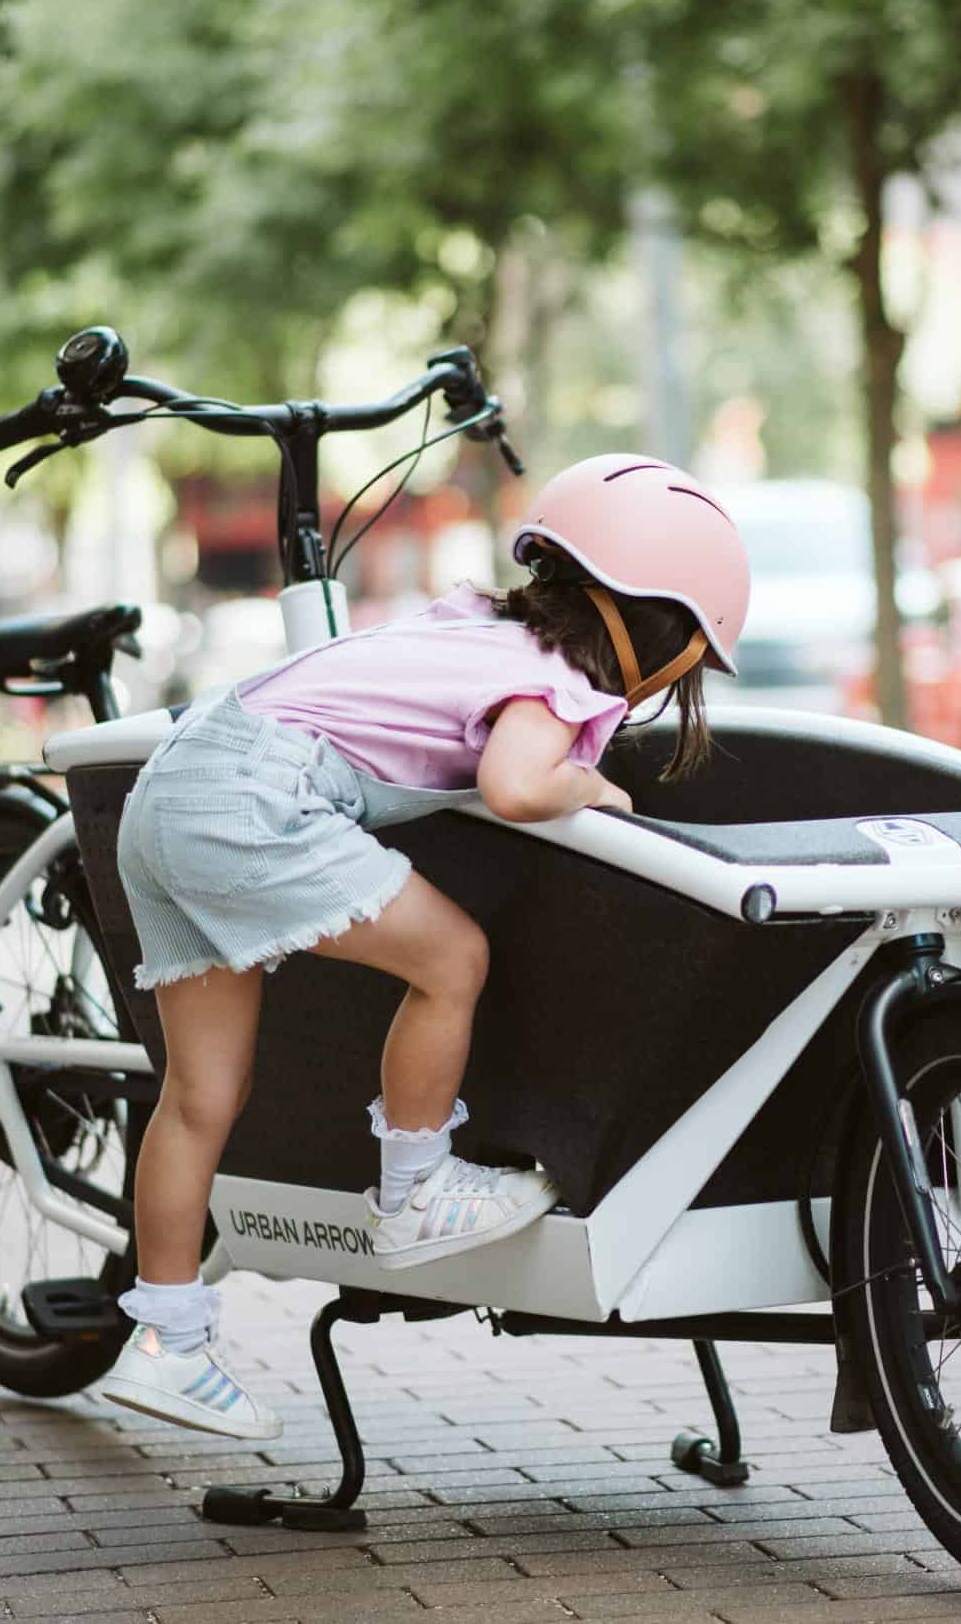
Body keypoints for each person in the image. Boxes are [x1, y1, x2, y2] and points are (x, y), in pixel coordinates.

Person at [99, 454, 751, 1440]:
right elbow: (517, 786)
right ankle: (416, 1190)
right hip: (256, 795)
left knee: (198, 1097)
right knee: (452, 959)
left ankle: (166, 1343)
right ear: (667, 636)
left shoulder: (477, 623)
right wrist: (595, 785)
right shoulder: (561, 679)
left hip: (172, 787)